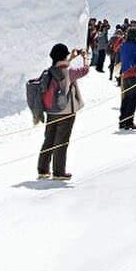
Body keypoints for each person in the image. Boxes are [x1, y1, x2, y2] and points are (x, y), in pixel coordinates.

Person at [37, 44, 89, 180]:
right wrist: (85, 57)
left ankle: (42, 169)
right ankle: (59, 172)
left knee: (48, 139)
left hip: (51, 111)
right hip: (66, 112)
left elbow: (62, 70)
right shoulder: (69, 72)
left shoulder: (50, 71)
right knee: (61, 141)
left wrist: (71, 58)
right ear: (64, 56)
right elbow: (84, 70)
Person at [117, 27, 136, 129]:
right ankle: (129, 122)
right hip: (135, 75)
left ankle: (122, 120)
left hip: (125, 74)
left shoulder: (123, 46)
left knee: (126, 98)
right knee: (133, 99)